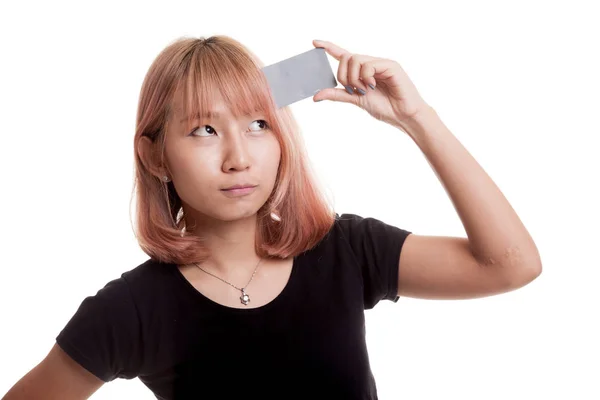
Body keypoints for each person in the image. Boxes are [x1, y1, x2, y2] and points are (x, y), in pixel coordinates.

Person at [3, 35, 542, 400]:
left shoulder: (346, 251)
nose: (239, 156)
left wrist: (415, 118)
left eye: (258, 123)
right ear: (154, 155)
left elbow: (510, 265)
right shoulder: (132, 310)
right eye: (204, 130)